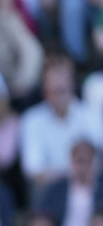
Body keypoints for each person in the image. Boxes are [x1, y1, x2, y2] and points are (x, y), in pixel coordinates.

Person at [20, 55, 103, 189]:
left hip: (90, 188)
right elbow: (33, 170)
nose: (59, 97)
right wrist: (71, 175)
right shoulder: (31, 120)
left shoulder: (91, 115)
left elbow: (99, 159)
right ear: (45, 90)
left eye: (62, 90)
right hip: (51, 191)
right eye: (54, 91)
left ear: (71, 85)